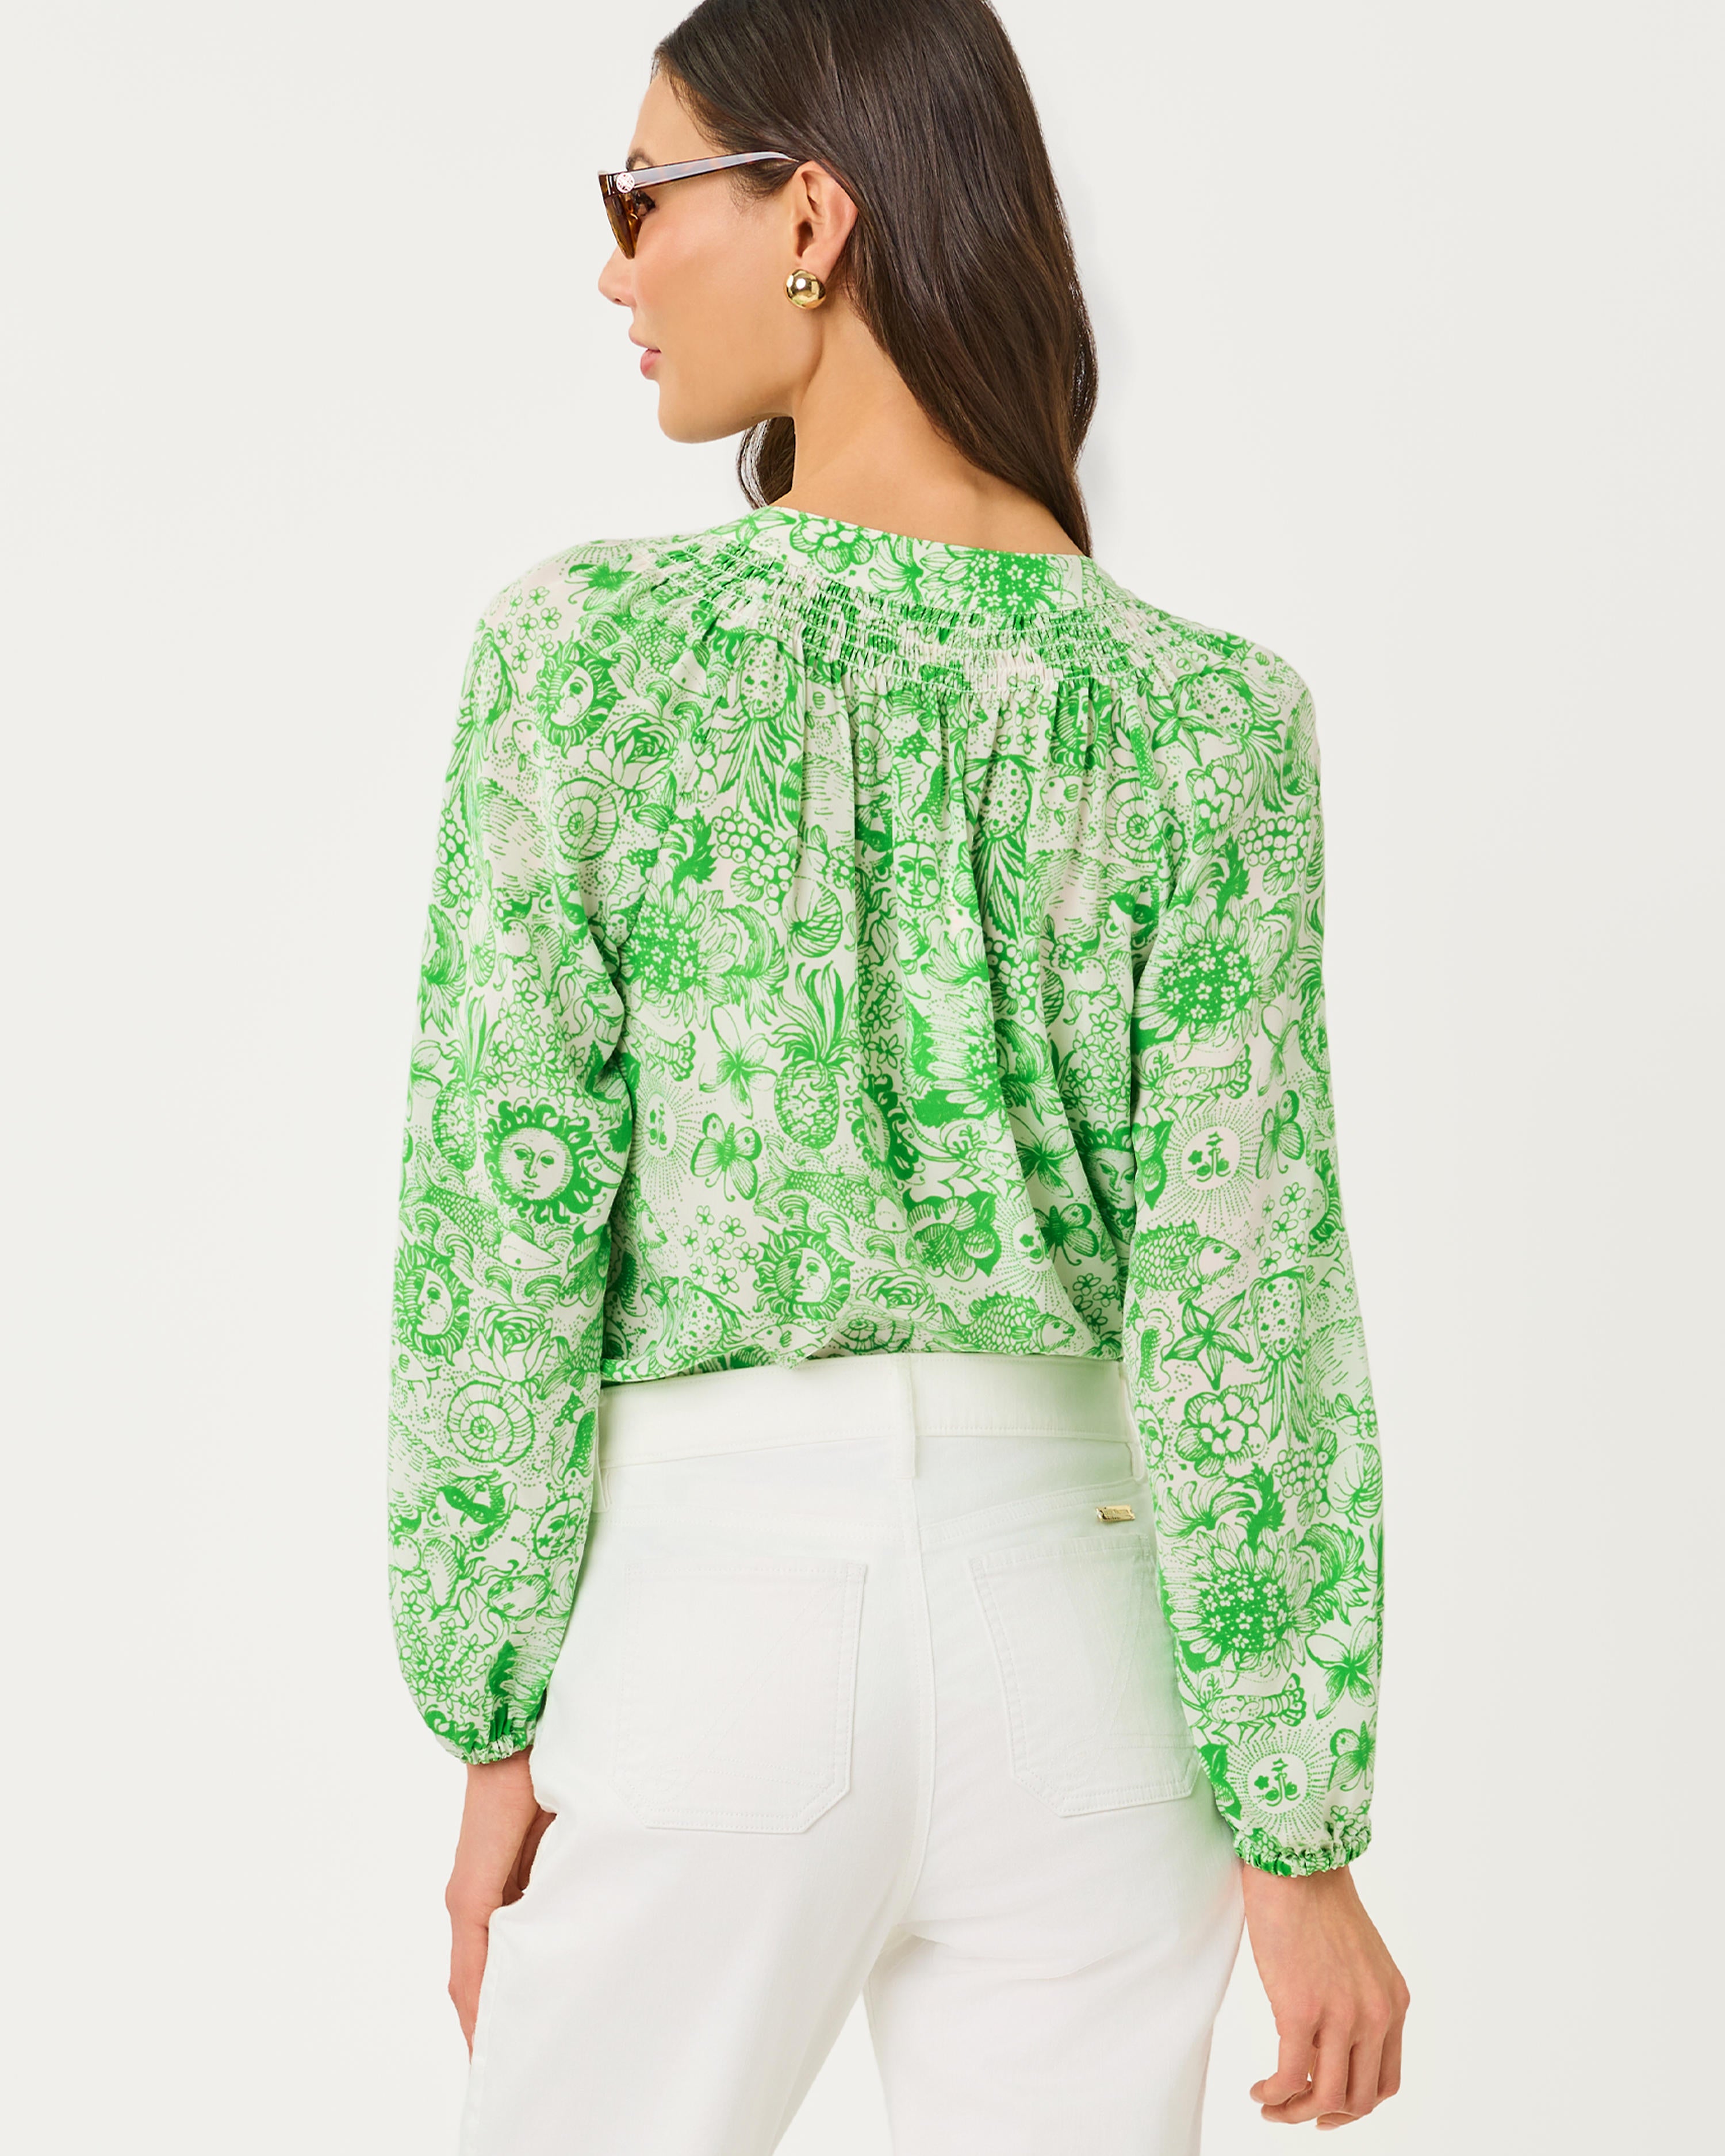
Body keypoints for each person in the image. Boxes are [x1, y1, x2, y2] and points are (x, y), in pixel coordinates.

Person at [386, 1, 1410, 2147]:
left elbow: (504, 1224)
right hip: (1093, 1651)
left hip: (719, 1624)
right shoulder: (1208, 720)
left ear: (811, 219)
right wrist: (1297, 1827)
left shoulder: (593, 659)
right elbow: (1244, 1297)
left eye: (642, 196)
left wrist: (493, 1724)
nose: (612, 264)